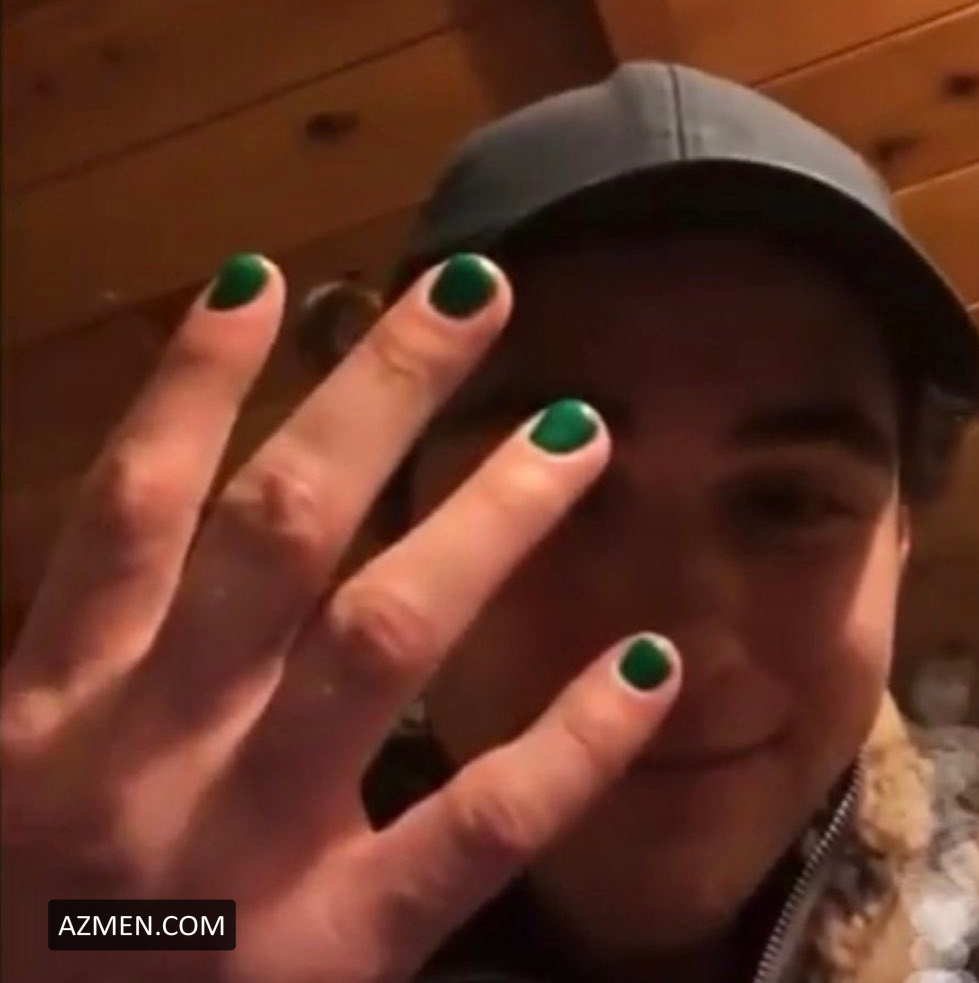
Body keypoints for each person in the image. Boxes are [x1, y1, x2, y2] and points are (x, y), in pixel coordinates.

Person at [2, 62, 978, 983]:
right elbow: (118, 933)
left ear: (899, 533)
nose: (678, 643)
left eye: (787, 503)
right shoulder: (213, 900)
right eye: (557, 495)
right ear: (399, 527)